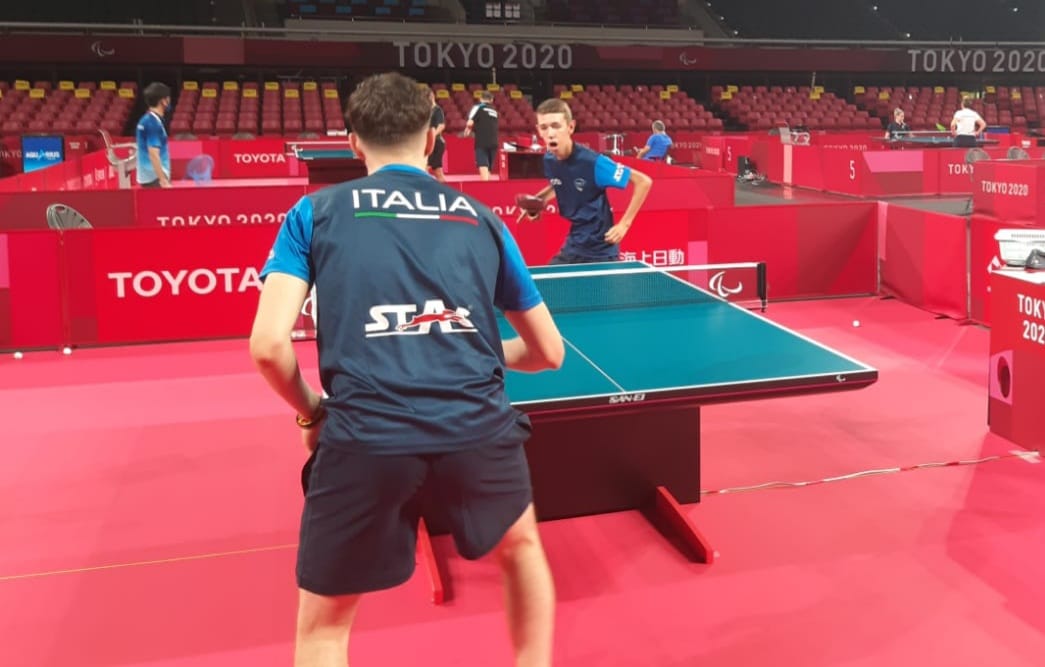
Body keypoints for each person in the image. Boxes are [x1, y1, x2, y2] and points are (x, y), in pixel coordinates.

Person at [249, 72, 564, 667]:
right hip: (478, 427)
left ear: (352, 143)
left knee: (324, 631)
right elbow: (549, 353)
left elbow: (268, 346)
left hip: (365, 437)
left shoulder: (312, 213)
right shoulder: (482, 218)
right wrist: (458, 350)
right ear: (432, 140)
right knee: (522, 550)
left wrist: (312, 413)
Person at [524, 98, 653, 265]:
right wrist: (537, 202)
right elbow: (560, 183)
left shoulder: (594, 163)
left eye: (556, 126)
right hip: (574, 244)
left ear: (570, 127)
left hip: (601, 251)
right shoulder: (550, 159)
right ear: (538, 131)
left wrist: (624, 225)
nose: (550, 133)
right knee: (547, 288)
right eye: (544, 127)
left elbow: (644, 181)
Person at [135, 82, 172, 188]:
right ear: (163, 101)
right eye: (168, 98)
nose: (169, 101)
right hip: (155, 178)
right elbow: (153, 154)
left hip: (147, 176)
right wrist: (163, 180)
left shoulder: (145, 120)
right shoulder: (153, 124)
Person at [463, 90, 499, 181]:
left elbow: (469, 123)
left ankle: (486, 190)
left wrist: (468, 129)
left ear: (480, 99)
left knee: (483, 167)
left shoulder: (478, 107)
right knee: (488, 170)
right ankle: (490, 189)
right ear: (491, 100)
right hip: (494, 142)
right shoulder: (494, 111)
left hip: (482, 142)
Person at [425, 86, 447, 182]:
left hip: (436, 143)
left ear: (432, 96)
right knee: (437, 171)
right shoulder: (427, 111)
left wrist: (432, 135)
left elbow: (441, 126)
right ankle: (446, 191)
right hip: (431, 143)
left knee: (424, 168)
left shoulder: (437, 110)